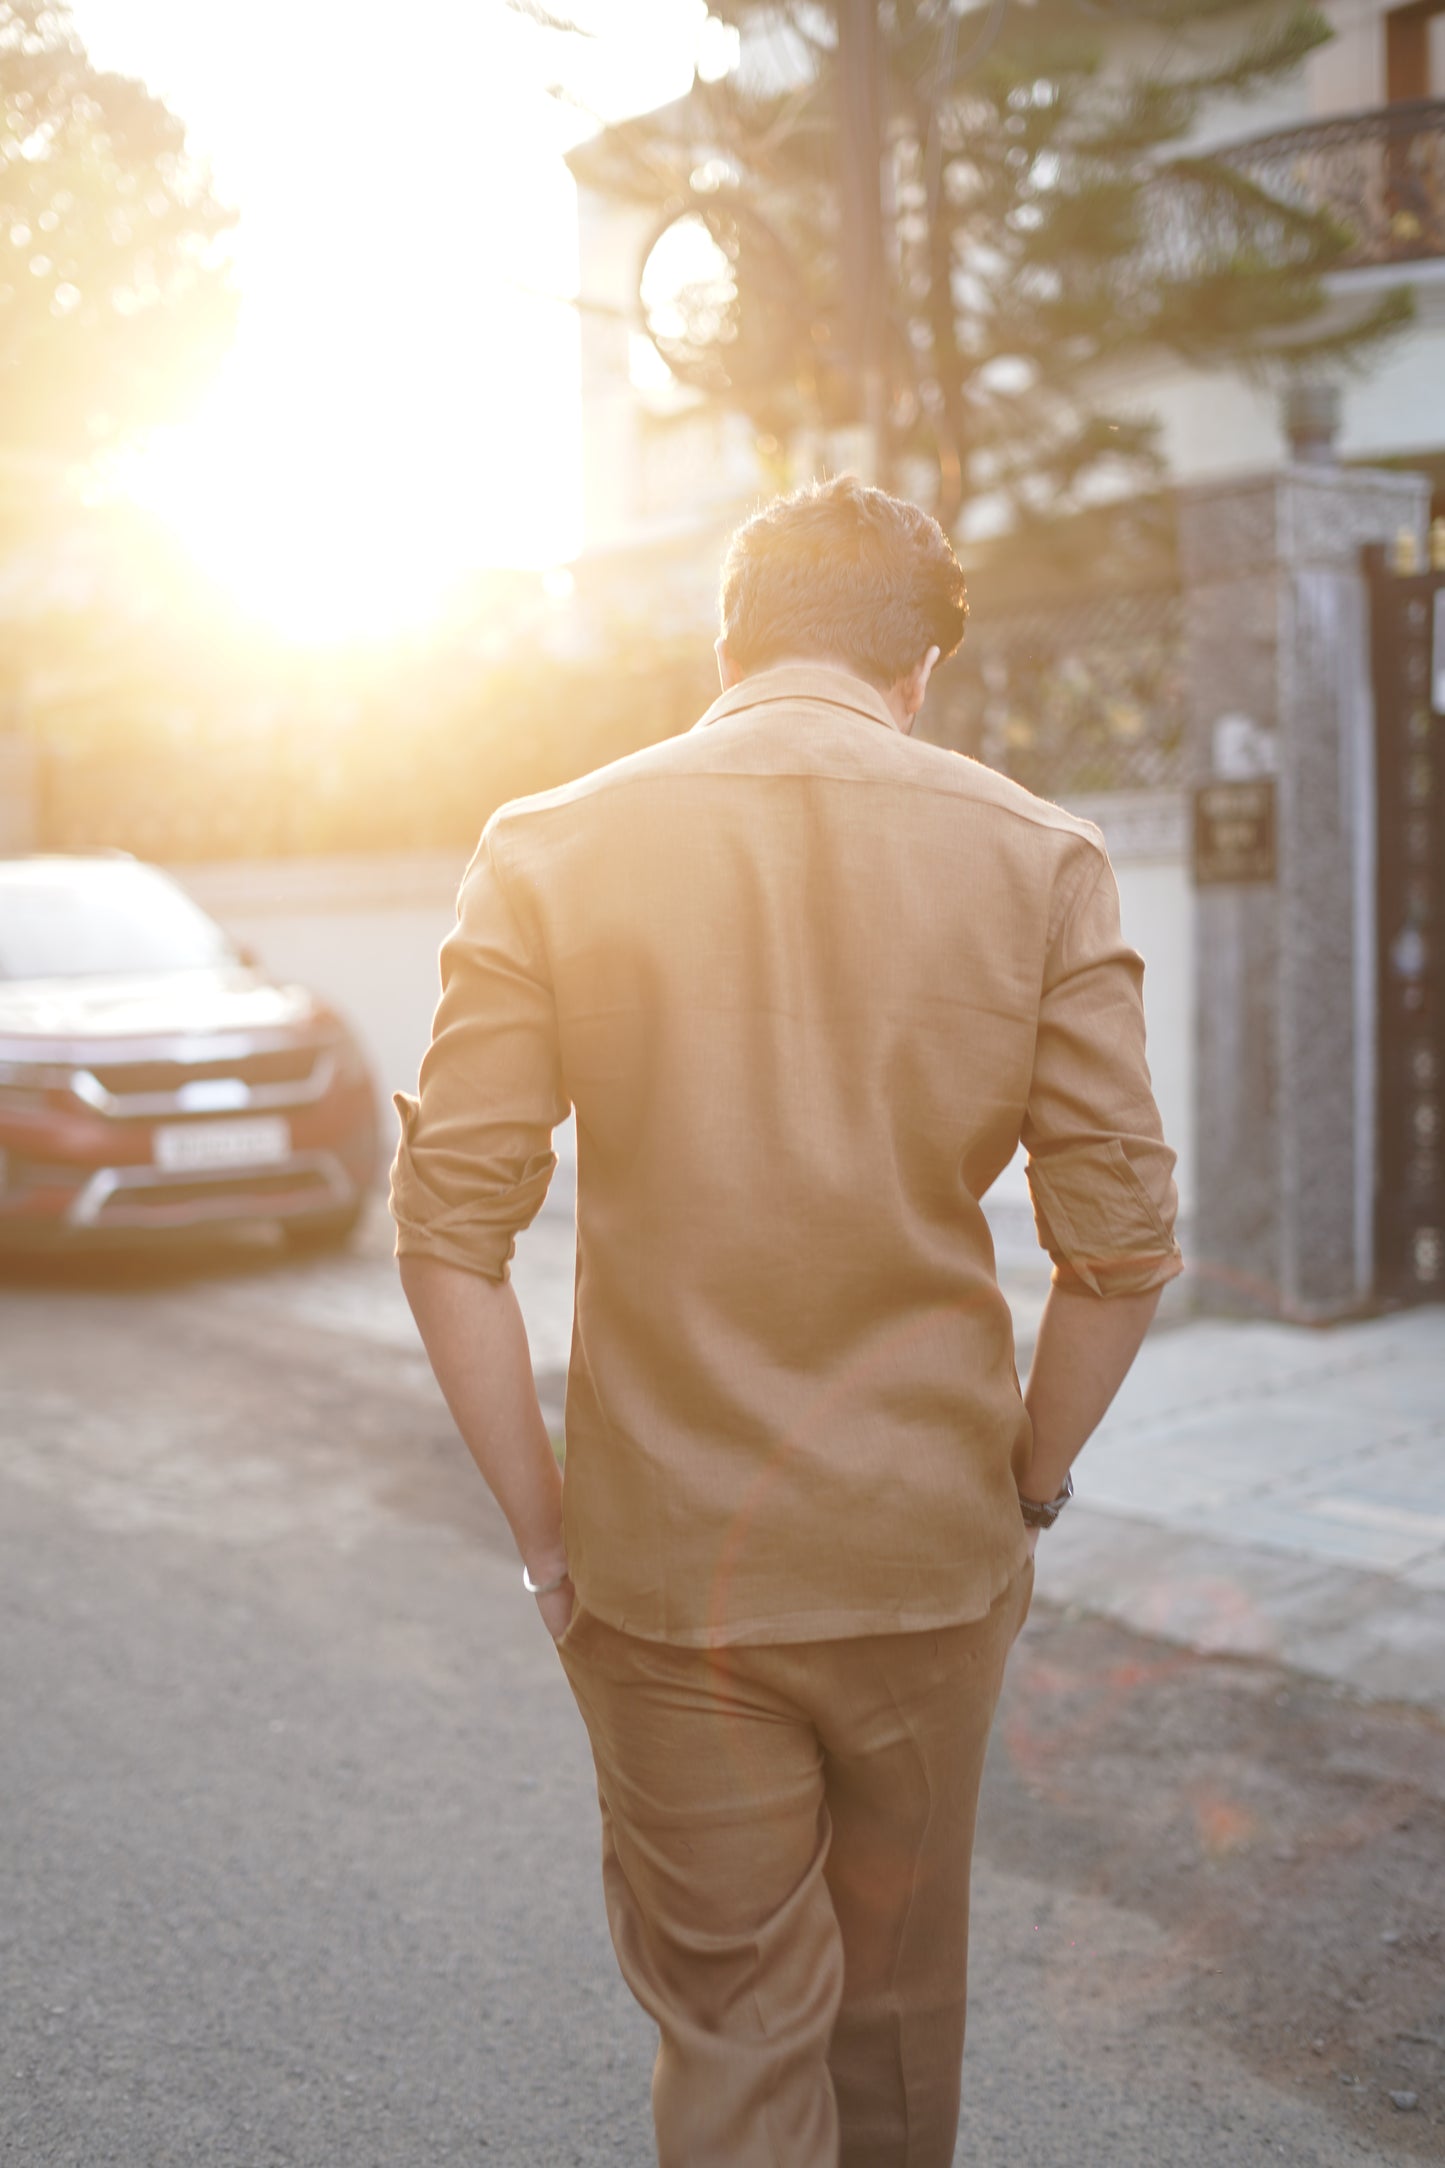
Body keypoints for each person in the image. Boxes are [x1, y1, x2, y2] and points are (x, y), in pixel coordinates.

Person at [391, 475, 1182, 2167]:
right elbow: (1119, 1253)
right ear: (918, 672)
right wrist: (1025, 1485)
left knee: (740, 2027)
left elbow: (447, 1232)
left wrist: (549, 1531)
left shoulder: (546, 846)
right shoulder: (1040, 854)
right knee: (898, 2018)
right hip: (928, 1552)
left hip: (666, 1574)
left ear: (727, 639)